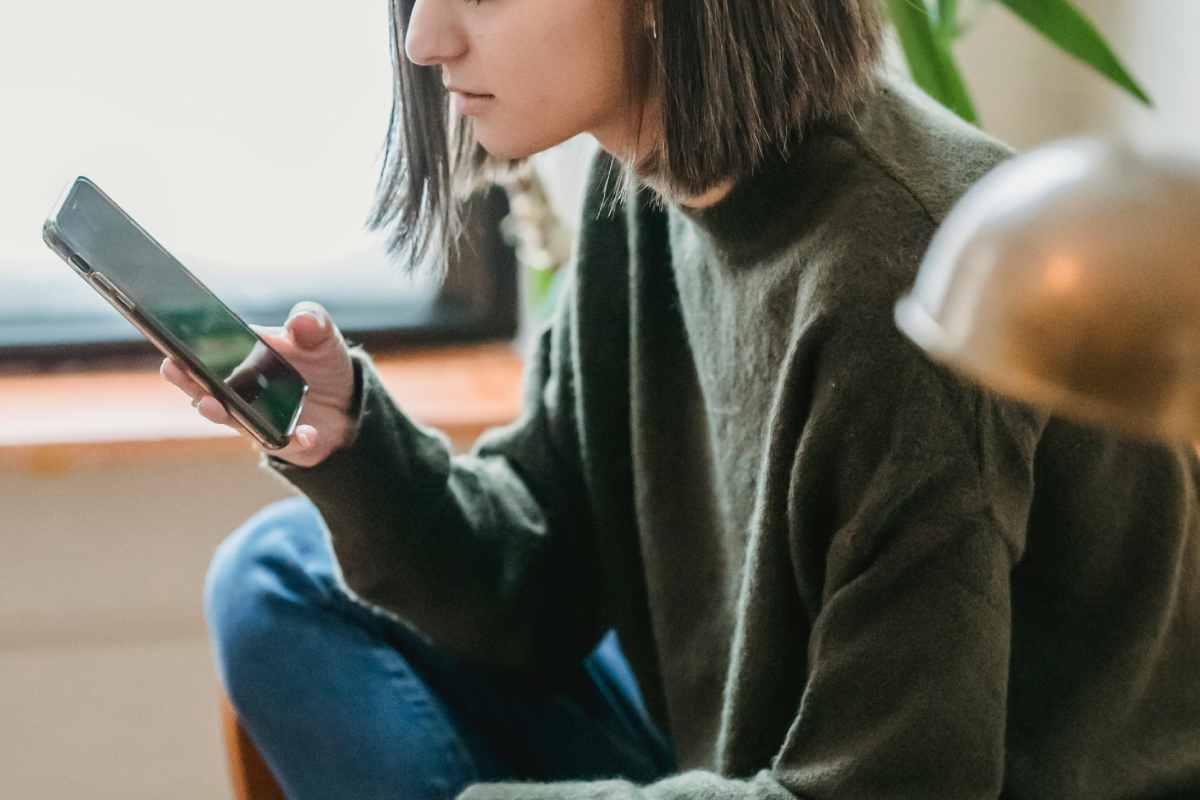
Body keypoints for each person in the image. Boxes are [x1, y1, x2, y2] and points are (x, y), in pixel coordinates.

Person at [163, 1, 1200, 798]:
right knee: (273, 577)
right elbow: (536, 579)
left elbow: (892, 784)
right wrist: (350, 441)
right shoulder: (649, 182)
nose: (426, 39)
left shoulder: (900, 285)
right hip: (735, 744)